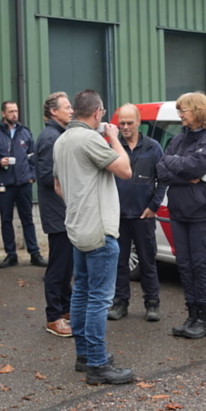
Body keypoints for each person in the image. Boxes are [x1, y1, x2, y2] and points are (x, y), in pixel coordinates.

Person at [52, 89, 134, 385]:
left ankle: (84, 355)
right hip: (99, 230)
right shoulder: (89, 139)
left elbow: (58, 186)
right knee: (99, 298)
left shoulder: (61, 140)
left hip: (76, 228)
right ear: (98, 113)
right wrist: (114, 139)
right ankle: (98, 364)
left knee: (82, 292)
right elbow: (125, 169)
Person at [156, 92, 206, 340]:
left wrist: (181, 167)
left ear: (197, 110)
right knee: (184, 266)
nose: (180, 115)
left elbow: (197, 166)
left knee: (200, 265)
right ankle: (192, 315)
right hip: (180, 212)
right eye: (178, 110)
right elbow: (162, 170)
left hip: (205, 213)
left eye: (183, 110)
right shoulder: (177, 140)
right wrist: (186, 174)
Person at [109, 104, 167, 322]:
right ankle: (120, 304)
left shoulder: (153, 147)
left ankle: (152, 304)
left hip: (144, 216)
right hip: (119, 216)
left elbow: (163, 179)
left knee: (147, 261)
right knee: (119, 262)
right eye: (121, 123)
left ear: (138, 122)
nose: (125, 127)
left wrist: (154, 206)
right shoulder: (114, 147)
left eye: (129, 123)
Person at [0, 101, 47, 269]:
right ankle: (11, 255)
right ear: (3, 113)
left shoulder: (25, 133)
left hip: (24, 183)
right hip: (5, 184)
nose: (14, 114)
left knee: (28, 219)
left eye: (16, 111)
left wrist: (32, 176)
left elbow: (33, 157)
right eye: (11, 111)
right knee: (6, 220)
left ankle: (35, 254)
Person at [35, 92, 75, 337]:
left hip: (64, 211)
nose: (71, 111)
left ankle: (66, 309)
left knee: (67, 264)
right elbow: (47, 176)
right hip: (56, 212)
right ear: (54, 112)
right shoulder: (50, 138)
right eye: (67, 107)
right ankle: (54, 317)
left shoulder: (59, 134)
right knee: (58, 266)